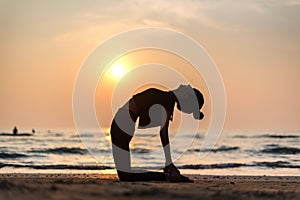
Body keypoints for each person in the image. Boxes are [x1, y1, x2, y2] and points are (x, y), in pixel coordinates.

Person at [110, 84, 204, 182]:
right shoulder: (167, 100)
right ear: (186, 97)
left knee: (125, 175)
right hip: (123, 122)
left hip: (121, 122)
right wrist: (169, 162)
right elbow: (163, 133)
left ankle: (167, 176)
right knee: (125, 175)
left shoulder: (166, 98)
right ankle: (168, 176)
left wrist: (168, 162)